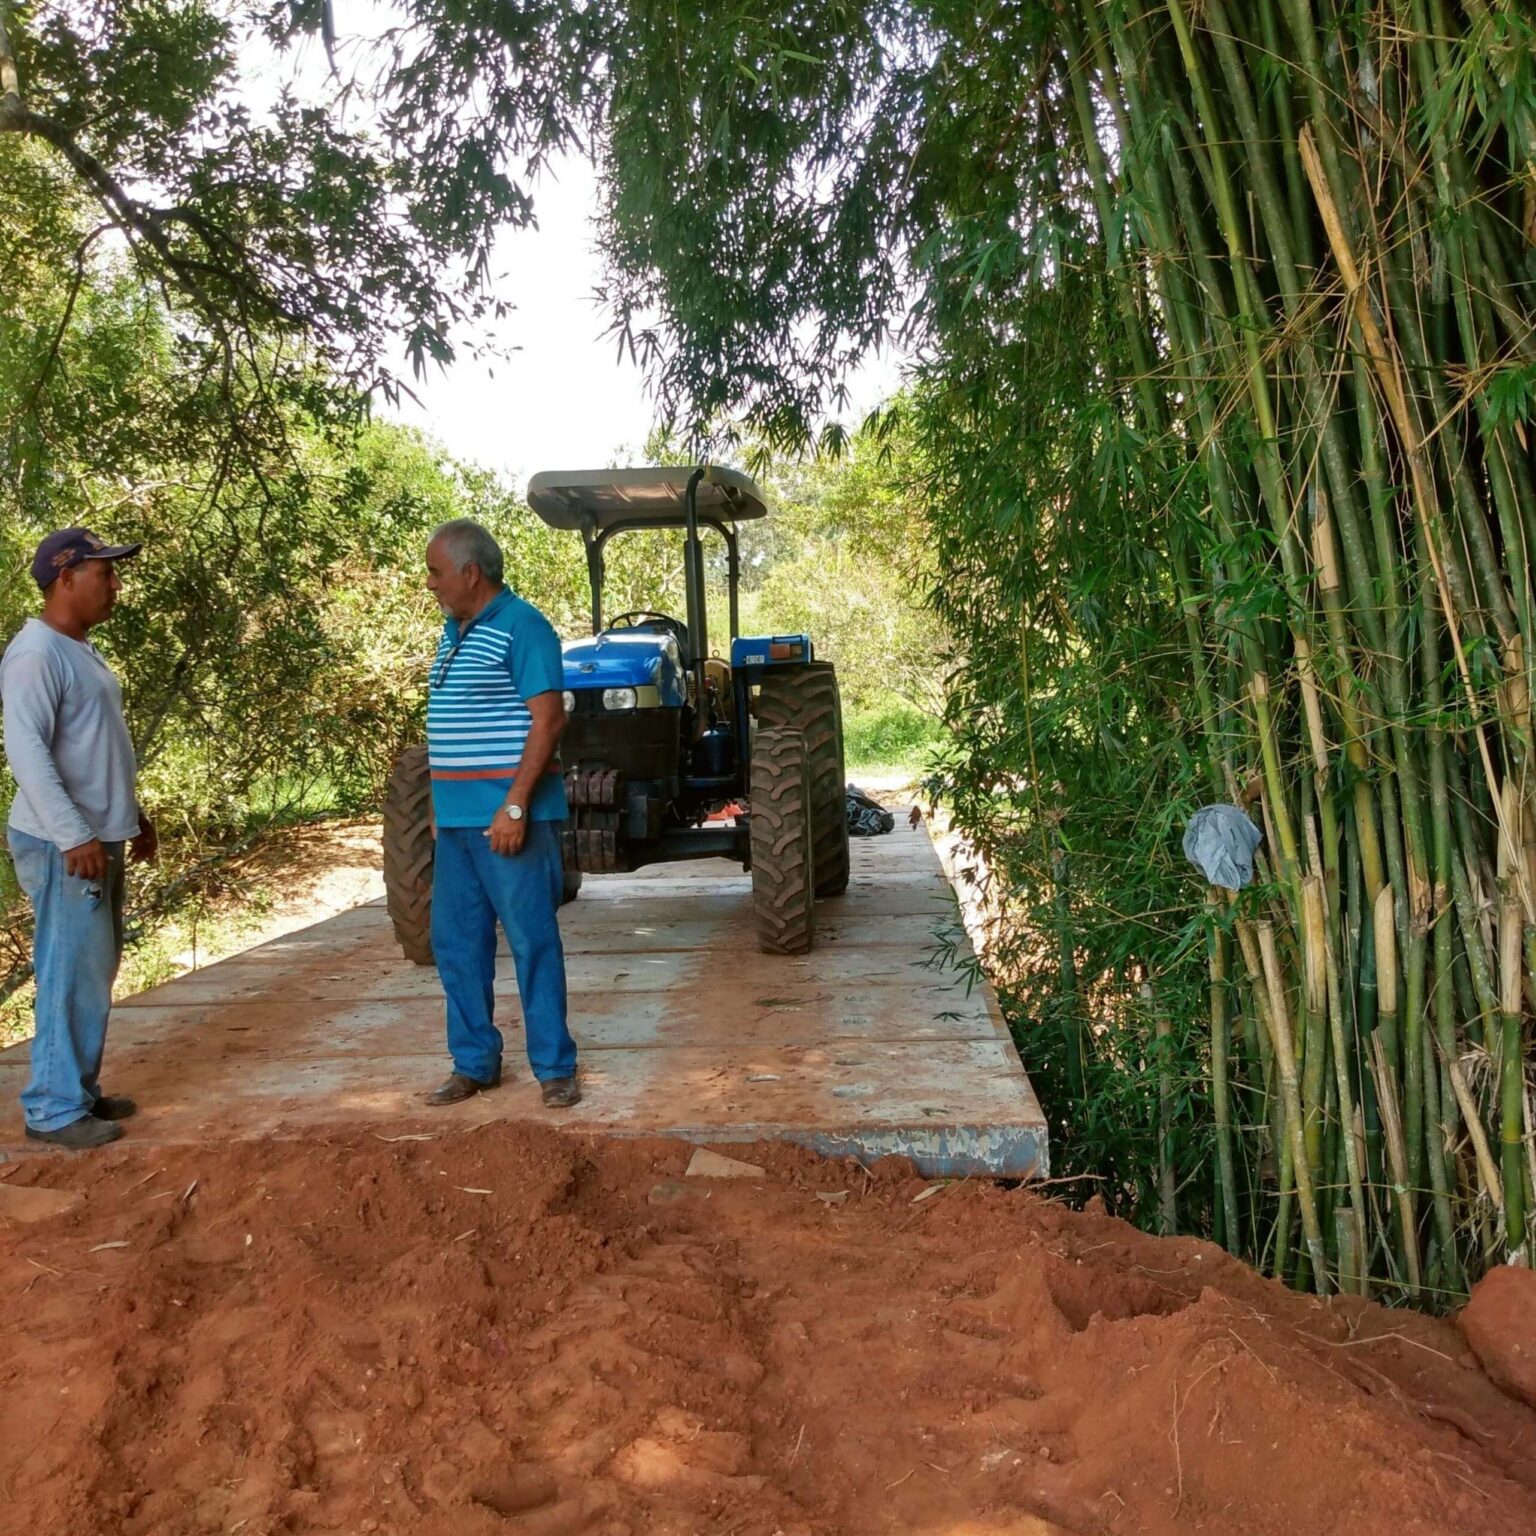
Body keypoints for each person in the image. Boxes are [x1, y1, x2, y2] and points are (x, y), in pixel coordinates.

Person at [1, 528, 158, 1149]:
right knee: (69, 970)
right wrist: (72, 835)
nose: (115, 585)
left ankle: (77, 1091)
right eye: (104, 573)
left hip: (94, 836)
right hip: (63, 844)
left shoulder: (76, 648)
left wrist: (132, 815)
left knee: (93, 971)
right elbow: (27, 753)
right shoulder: (36, 654)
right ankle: (53, 1107)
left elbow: (93, 746)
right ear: (65, 578)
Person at [421, 518, 580, 1109]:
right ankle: (474, 1063)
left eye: (436, 572)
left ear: (471, 573)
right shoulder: (453, 632)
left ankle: (555, 1068)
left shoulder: (523, 627)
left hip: (511, 822)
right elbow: (451, 728)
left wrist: (515, 805)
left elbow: (549, 720)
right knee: (457, 946)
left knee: (532, 941)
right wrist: (438, 806)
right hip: (457, 826)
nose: (430, 583)